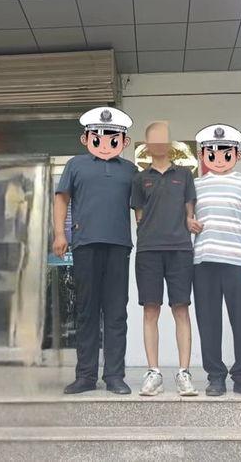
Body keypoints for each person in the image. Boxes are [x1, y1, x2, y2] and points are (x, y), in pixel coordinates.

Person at [53, 106, 137, 395]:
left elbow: (141, 209)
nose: (104, 144)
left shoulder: (131, 170)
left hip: (119, 246)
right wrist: (59, 234)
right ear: (85, 138)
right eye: (97, 138)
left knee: (116, 312)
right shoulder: (75, 165)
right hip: (85, 244)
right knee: (86, 311)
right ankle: (85, 376)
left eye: (112, 139)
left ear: (124, 141)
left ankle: (114, 376)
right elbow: (62, 199)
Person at [189, 124, 241, 397]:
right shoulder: (195, 186)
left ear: (237, 155)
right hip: (204, 262)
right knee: (208, 322)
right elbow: (186, 218)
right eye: (212, 153)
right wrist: (189, 222)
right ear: (202, 155)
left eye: (226, 153)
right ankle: (215, 377)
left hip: (239, 262)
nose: (219, 159)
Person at [131, 121, 198, 396]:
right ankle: (154, 373)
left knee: (181, 309)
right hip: (148, 251)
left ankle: (184, 373)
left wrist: (190, 222)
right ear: (147, 145)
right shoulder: (139, 179)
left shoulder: (184, 175)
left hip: (180, 249)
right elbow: (138, 215)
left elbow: (189, 211)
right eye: (154, 139)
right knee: (151, 310)